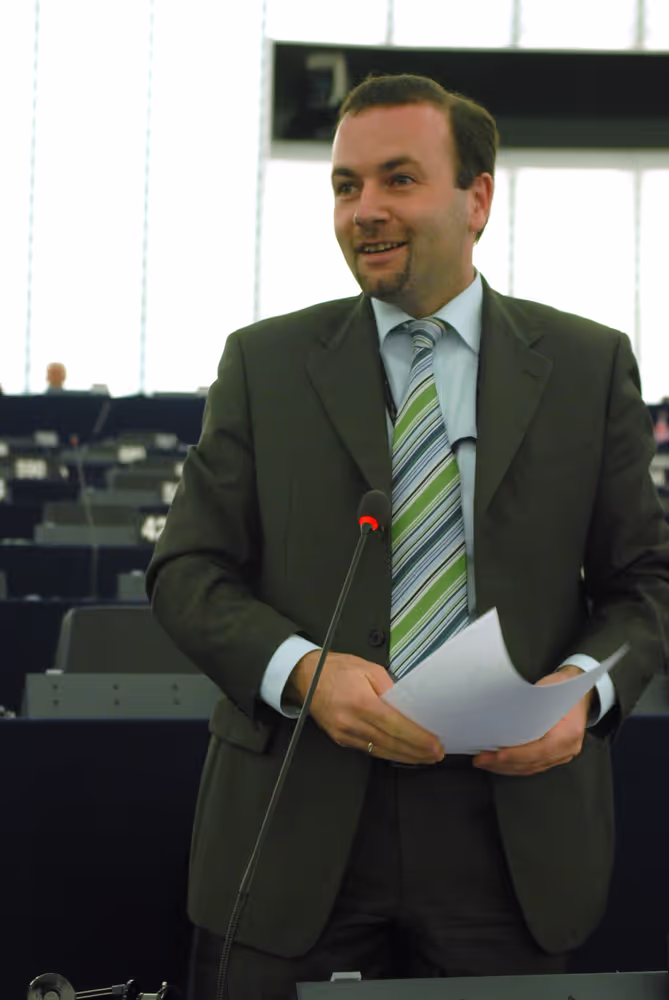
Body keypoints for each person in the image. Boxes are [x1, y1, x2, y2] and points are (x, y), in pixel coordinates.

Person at [146, 74, 669, 999]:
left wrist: (582, 694)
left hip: (507, 842)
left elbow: (645, 581)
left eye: (397, 179)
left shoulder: (589, 367)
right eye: (346, 187)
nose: (365, 211)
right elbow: (187, 571)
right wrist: (304, 670)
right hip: (294, 825)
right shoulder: (262, 365)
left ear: (477, 197)